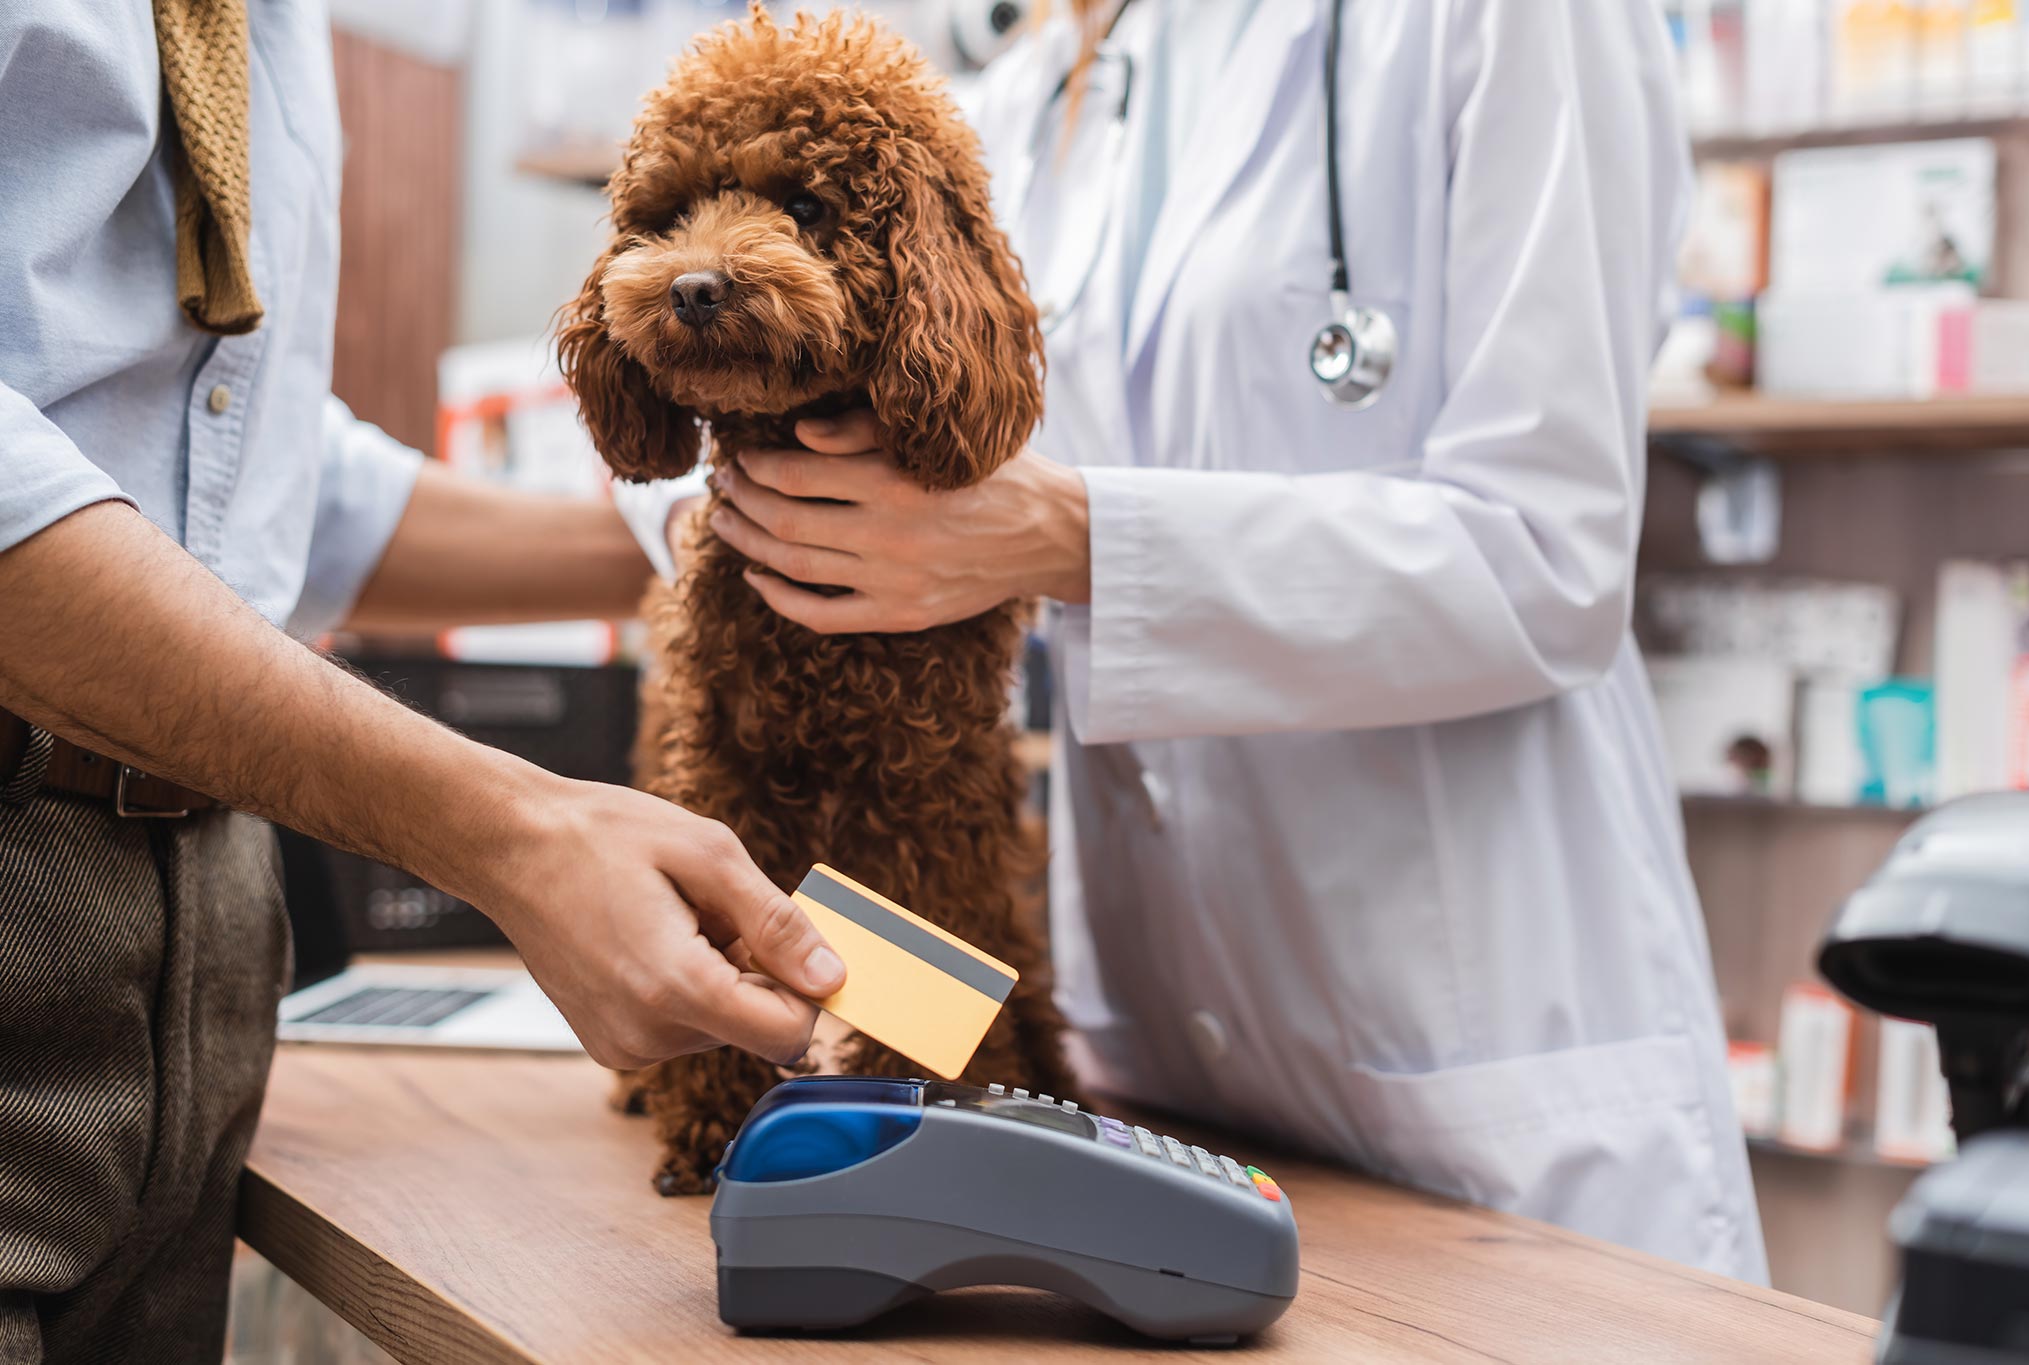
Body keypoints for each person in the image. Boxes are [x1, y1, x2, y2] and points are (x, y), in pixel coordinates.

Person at [692, 0, 1769, 1281]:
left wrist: (1074, 539)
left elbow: (1548, 555)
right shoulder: (1023, 91)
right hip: (1153, 1076)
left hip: (1476, 1090)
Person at [0, 7, 843, 1360]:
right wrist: (507, 827)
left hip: (215, 911)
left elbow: (248, 485)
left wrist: (727, 535)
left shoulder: (273, 27)